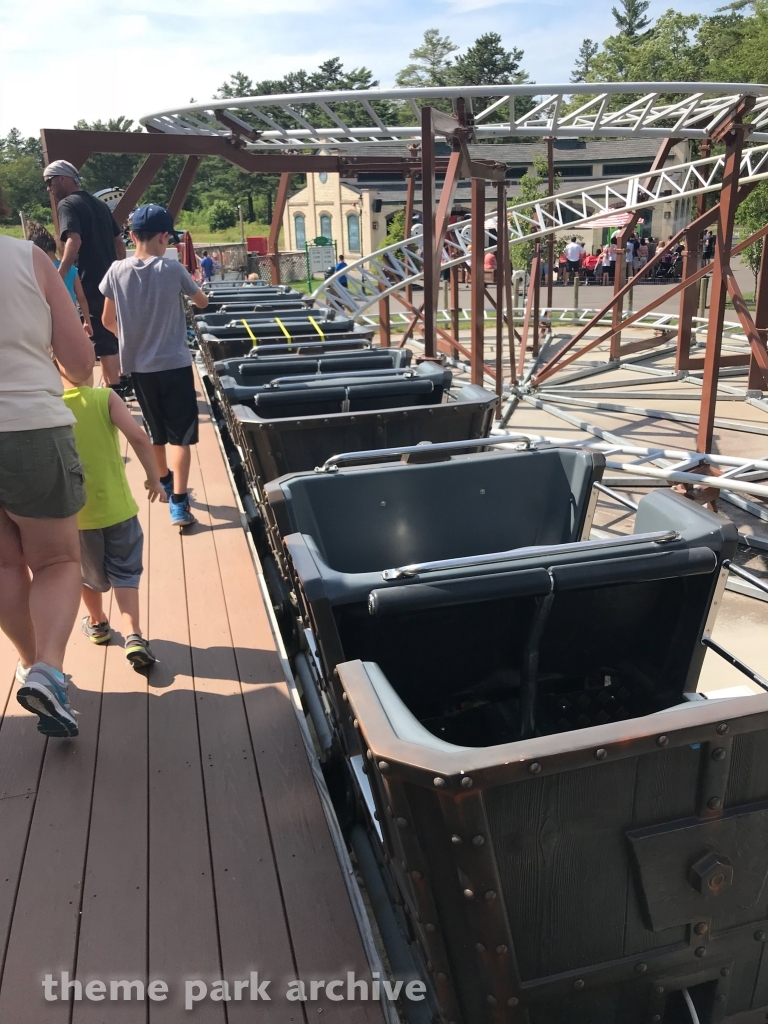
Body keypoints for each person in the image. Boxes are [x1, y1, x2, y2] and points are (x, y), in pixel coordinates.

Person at [0, 185, 95, 738]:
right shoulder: (27, 258)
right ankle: (48, 670)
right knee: (58, 562)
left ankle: (33, 664)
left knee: (5, 566)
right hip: (31, 430)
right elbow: (81, 366)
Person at [99, 204, 209, 528]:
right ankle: (178, 502)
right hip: (174, 365)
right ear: (165, 237)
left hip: (140, 369)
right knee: (182, 438)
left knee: (156, 433)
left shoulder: (115, 271)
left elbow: (107, 320)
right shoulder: (172, 270)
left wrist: (129, 339)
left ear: (132, 236)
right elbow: (202, 301)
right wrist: (195, 286)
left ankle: (163, 478)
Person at [58, 361, 166, 668]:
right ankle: (134, 636)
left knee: (86, 576)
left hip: (77, 515)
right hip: (118, 510)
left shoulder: (51, 407)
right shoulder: (104, 398)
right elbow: (140, 437)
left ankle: (98, 624)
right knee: (126, 572)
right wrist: (153, 478)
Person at [44, 160, 126, 389]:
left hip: (91, 278)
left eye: (49, 182)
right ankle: (124, 377)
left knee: (101, 335)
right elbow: (118, 241)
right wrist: (119, 269)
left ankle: (114, 388)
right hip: (111, 278)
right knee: (115, 328)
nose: (49, 189)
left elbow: (74, 240)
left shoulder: (68, 205)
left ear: (63, 178)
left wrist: (59, 277)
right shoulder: (99, 205)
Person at [28, 223, 92, 339]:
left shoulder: (40, 271)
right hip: (73, 319)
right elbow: (81, 297)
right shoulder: (71, 269)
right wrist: (87, 321)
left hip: (52, 321)